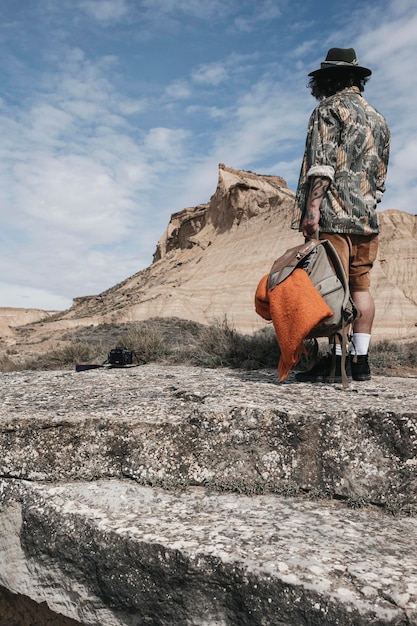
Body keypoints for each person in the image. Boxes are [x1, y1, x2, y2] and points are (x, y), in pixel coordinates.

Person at [292, 47, 390, 383]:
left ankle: (337, 362)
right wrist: (368, 202)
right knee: (361, 287)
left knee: (334, 289)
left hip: (334, 213)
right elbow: (380, 178)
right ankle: (360, 362)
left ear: (330, 79)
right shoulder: (379, 119)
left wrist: (313, 208)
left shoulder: (328, 109)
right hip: (367, 217)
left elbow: (322, 165)